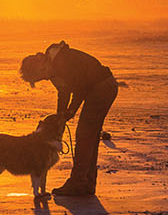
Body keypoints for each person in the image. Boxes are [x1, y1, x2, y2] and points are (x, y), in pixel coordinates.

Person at [19, 40, 119, 197]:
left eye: (41, 76)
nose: (45, 79)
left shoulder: (62, 62)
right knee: (90, 137)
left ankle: (78, 182)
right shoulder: (53, 68)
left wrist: (71, 111)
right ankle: (87, 183)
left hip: (102, 88)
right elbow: (63, 92)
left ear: (40, 66)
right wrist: (60, 116)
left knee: (84, 135)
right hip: (102, 87)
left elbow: (81, 87)